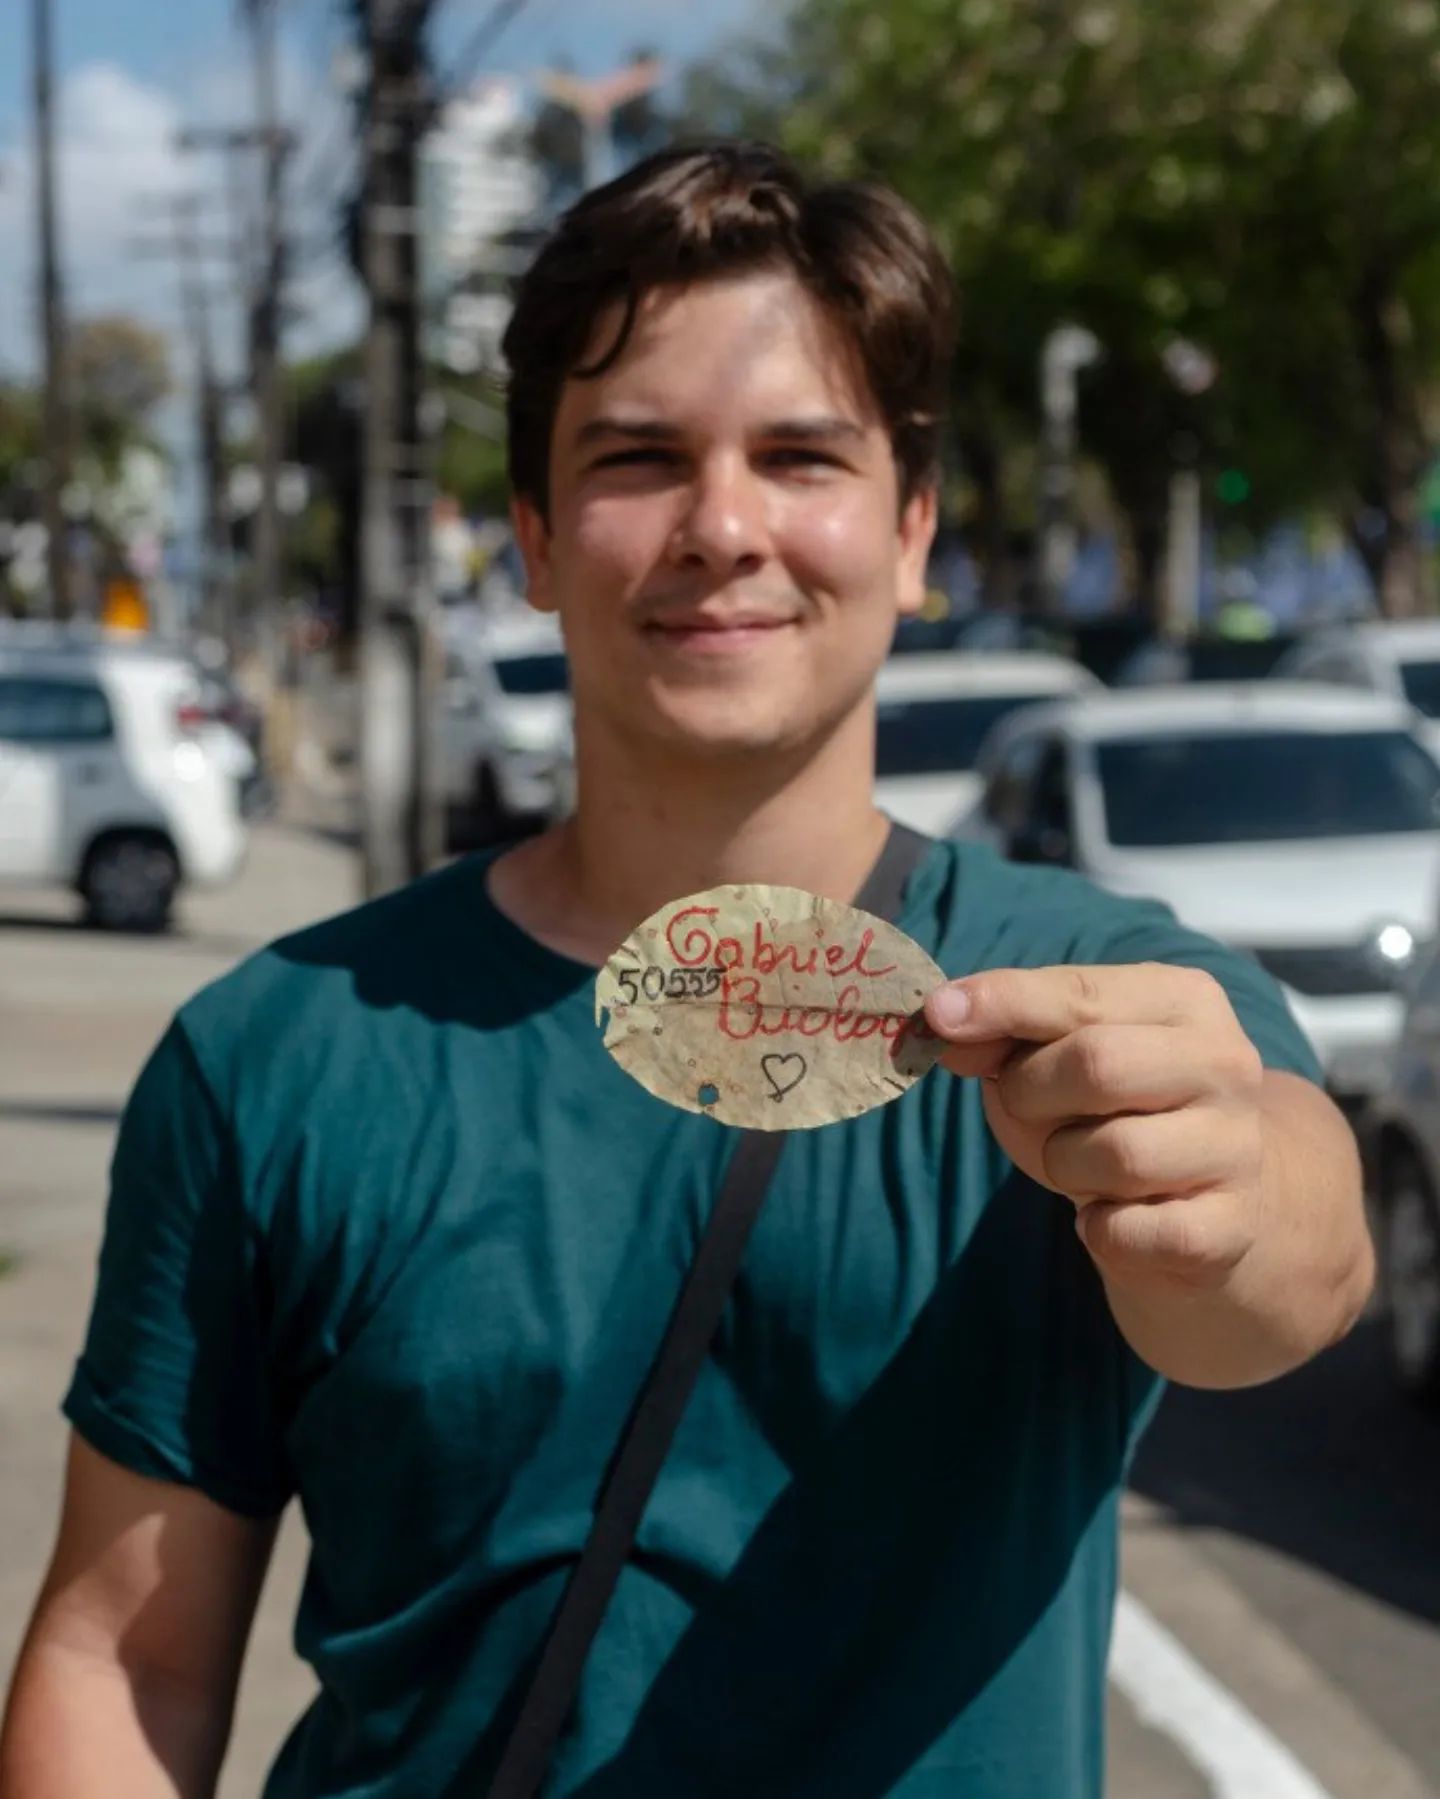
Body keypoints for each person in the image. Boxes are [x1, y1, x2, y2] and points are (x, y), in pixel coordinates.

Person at [0, 141, 1372, 1799]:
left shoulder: (1103, 994)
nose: (723, 527)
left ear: (915, 525)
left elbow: (1291, 1271)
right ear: (529, 534)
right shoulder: (275, 1053)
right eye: (640, 458)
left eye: (801, 456)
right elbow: (124, 1654)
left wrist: (1233, 1196)